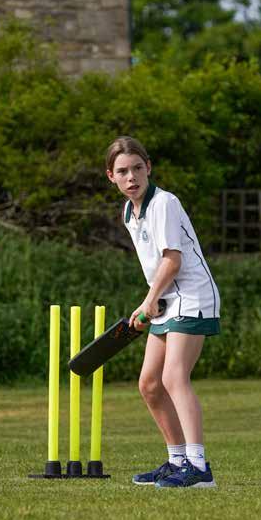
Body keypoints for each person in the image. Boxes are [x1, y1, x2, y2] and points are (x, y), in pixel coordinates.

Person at [106, 136, 220, 488]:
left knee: (173, 377)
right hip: (167, 298)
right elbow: (156, 265)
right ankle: (177, 460)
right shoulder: (129, 212)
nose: (131, 177)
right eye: (122, 171)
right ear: (111, 176)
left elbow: (172, 260)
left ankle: (199, 468)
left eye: (137, 168)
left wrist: (149, 299)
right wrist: (151, 301)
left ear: (149, 168)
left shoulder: (164, 203)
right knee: (150, 384)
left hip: (192, 296)